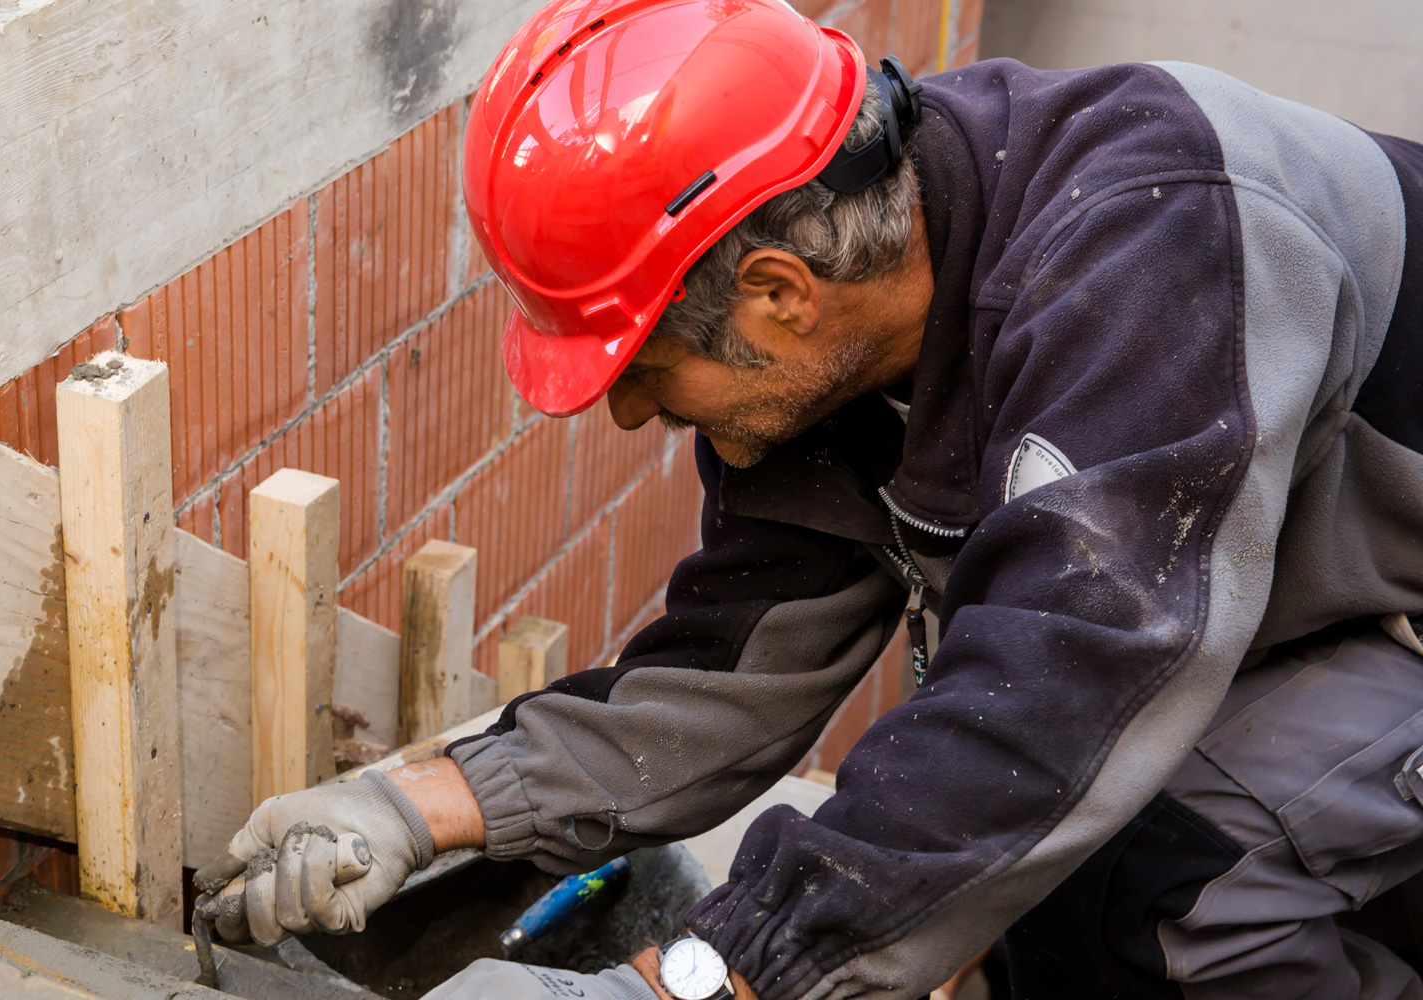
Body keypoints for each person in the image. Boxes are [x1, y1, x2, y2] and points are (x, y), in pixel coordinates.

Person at [194, 1, 1423, 997]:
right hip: (1276, 614)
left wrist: (685, 985)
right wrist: (403, 810)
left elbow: (1063, 696)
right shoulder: (839, 336)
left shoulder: (1153, 249)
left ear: (780, 292)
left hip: (1387, 626)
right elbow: (729, 674)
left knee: (1156, 887)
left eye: (640, 368)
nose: (627, 413)